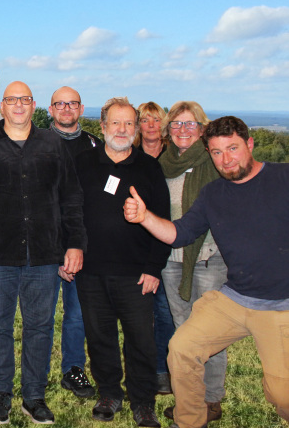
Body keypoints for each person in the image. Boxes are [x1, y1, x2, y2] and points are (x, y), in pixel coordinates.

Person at [124, 116, 289, 428]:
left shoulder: (282, 178)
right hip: (234, 299)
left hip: (280, 306)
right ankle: (189, 421)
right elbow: (180, 234)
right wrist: (145, 217)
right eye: (216, 152)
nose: (225, 159)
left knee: (282, 396)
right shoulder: (214, 194)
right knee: (183, 348)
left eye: (232, 148)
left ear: (250, 145)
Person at [0, 82, 87, 425]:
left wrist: (74, 243)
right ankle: (1, 394)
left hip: (44, 254)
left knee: (40, 327)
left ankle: (34, 397)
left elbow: (71, 197)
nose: (18, 105)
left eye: (25, 99)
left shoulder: (52, 144)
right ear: (2, 105)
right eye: (12, 99)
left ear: (35, 106)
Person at [74, 97, 170, 428]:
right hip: (91, 272)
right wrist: (68, 251)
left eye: (129, 123)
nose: (122, 129)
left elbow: (163, 220)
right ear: (102, 127)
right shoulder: (82, 162)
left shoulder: (149, 167)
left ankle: (142, 402)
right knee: (99, 337)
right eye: (115, 123)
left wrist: (154, 267)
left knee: (141, 341)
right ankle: (110, 393)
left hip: (136, 273)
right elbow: (68, 213)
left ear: (137, 128)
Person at [156, 102, 226, 423]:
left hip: (208, 257)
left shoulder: (214, 162)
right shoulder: (161, 163)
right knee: (183, 330)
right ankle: (190, 397)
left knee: (211, 332)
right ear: (168, 130)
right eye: (177, 125)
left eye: (190, 124)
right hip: (170, 257)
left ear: (201, 128)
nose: (183, 131)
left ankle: (212, 398)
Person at [46, 85, 99, 399]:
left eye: (72, 103)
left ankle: (73, 369)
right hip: (44, 244)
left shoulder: (95, 146)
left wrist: (76, 246)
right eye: (60, 104)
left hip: (82, 243)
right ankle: (34, 372)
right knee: (40, 315)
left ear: (81, 109)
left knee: (77, 313)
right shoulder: (36, 142)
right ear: (50, 109)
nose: (66, 109)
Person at [133, 101, 175, 395]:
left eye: (156, 120)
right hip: (135, 245)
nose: (151, 125)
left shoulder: (174, 158)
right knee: (138, 315)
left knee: (164, 312)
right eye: (145, 120)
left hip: (167, 243)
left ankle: (162, 369)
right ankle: (138, 369)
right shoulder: (129, 156)